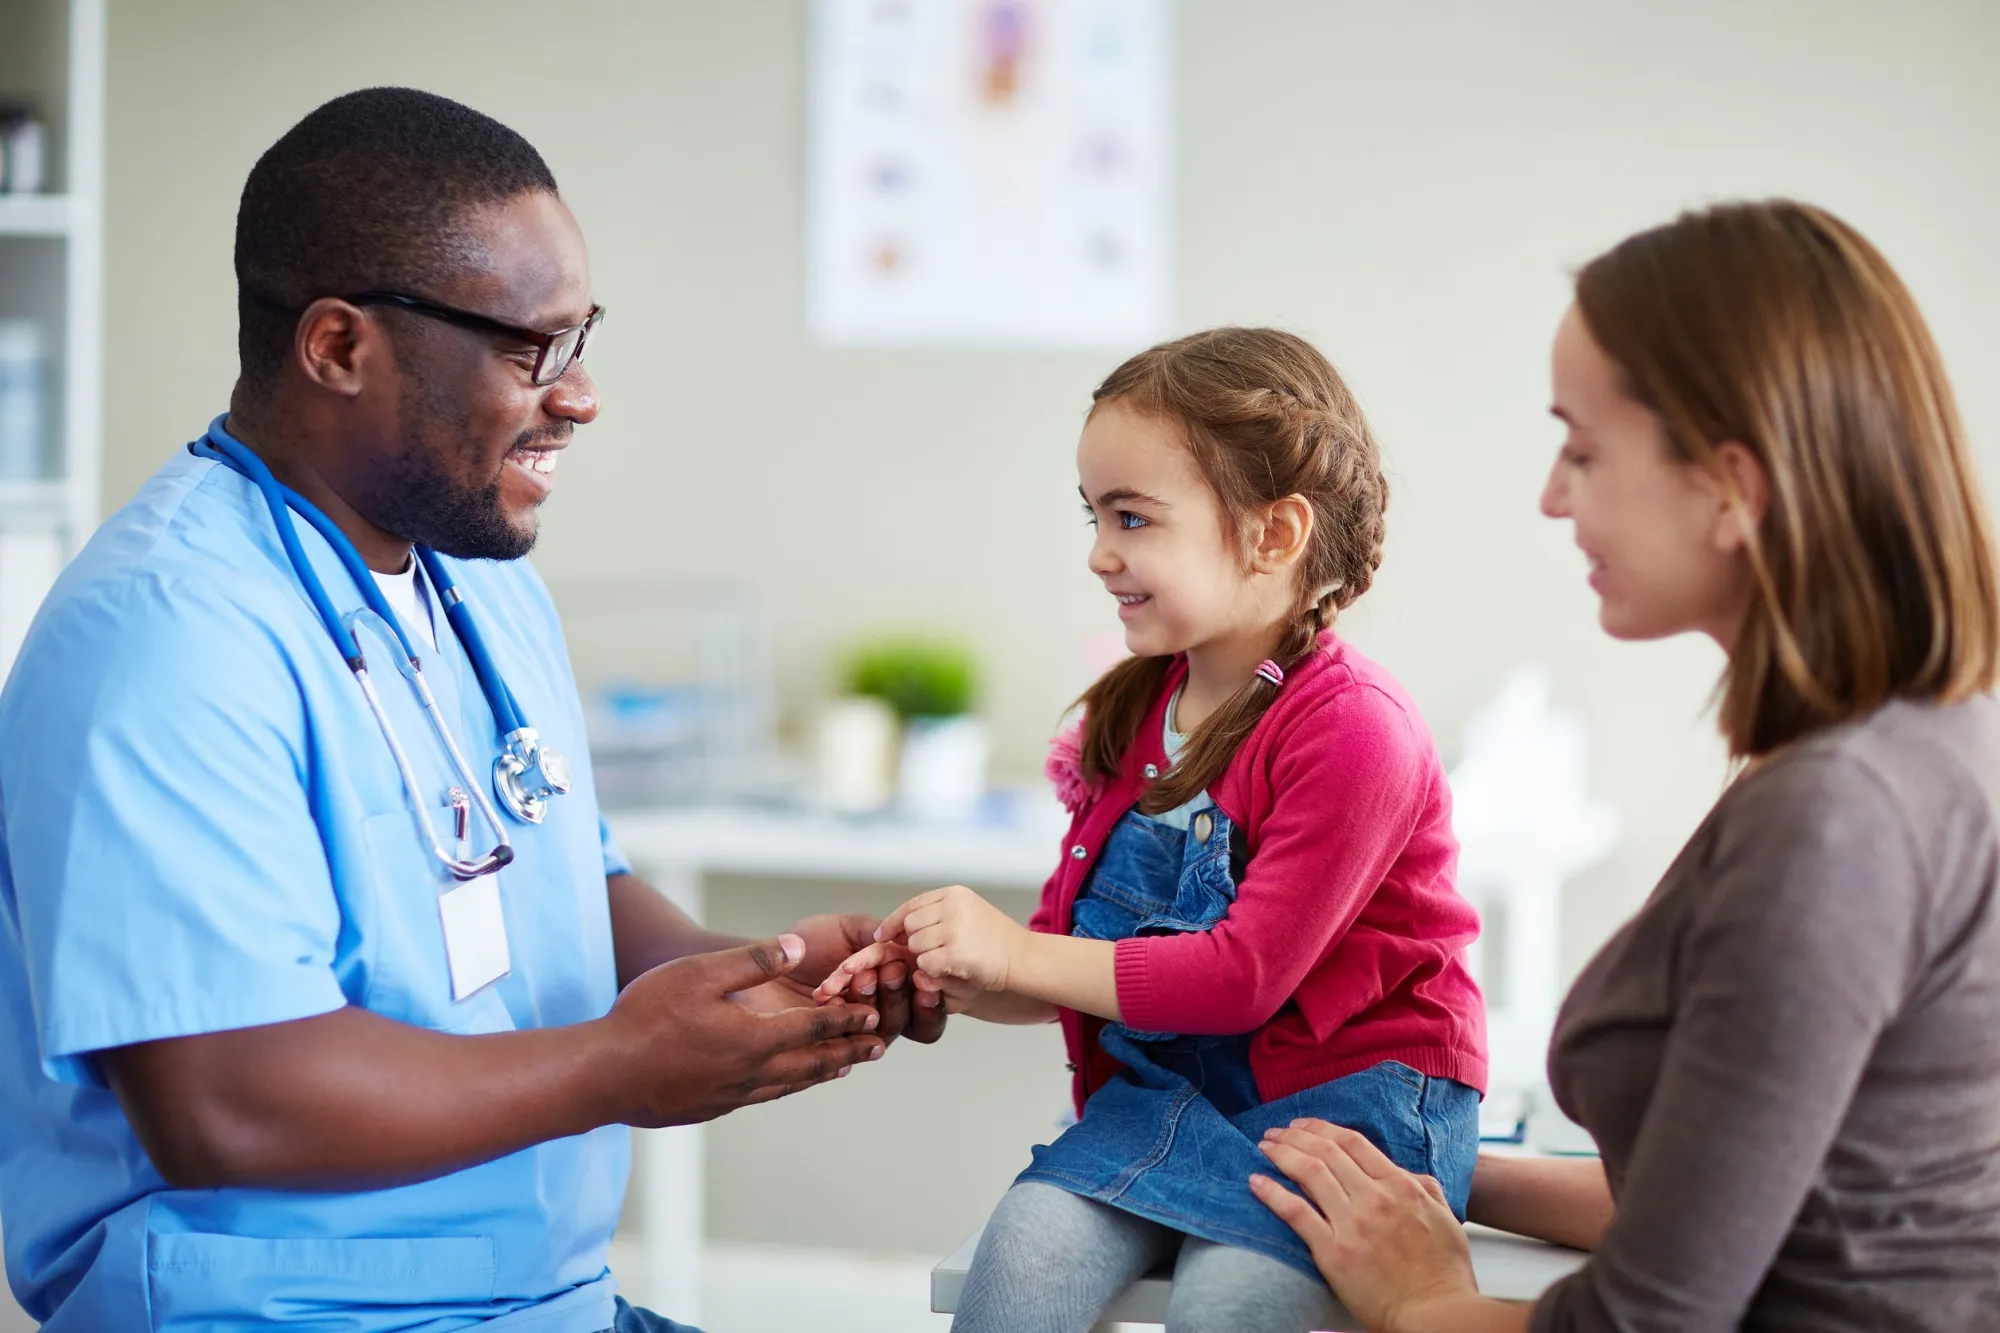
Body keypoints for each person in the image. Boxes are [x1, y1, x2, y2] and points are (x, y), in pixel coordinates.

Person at [0, 87, 941, 1333]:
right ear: (338, 348)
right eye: (527, 349)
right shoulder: (165, 638)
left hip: (539, 1302)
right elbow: (225, 1101)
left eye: (582, 337)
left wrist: (763, 979)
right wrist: (624, 1063)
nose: (581, 395)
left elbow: (567, 891)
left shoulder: (477, 583)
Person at [1253, 200, 2000, 1331]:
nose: (1553, 495)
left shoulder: (1833, 819)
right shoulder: (1907, 743)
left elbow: (1643, 1324)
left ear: (1729, 487)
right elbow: (1757, 1202)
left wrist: (1418, 1299)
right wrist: (1450, 1172)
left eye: (1584, 450)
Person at [820, 328, 1489, 1333]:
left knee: (1230, 1301)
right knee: (1020, 1255)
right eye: (1092, 516)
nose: (1098, 553)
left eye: (1131, 518)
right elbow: (1068, 960)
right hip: (1171, 1092)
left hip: (1343, 1117)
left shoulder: (1353, 730)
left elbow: (1241, 975)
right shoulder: (1131, 715)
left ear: (1272, 535)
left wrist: (1016, 953)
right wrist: (961, 975)